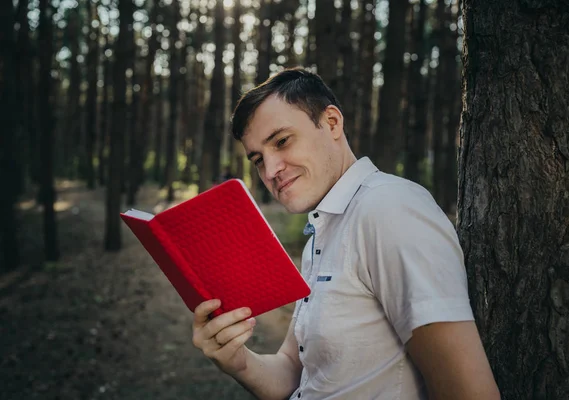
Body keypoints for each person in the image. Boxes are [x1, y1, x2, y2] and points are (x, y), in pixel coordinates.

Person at [191, 68, 500, 400]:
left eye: (281, 141)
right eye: (257, 160)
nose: (270, 170)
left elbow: (469, 392)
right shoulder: (325, 231)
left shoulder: (389, 209)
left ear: (332, 123)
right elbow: (292, 373)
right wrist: (237, 361)